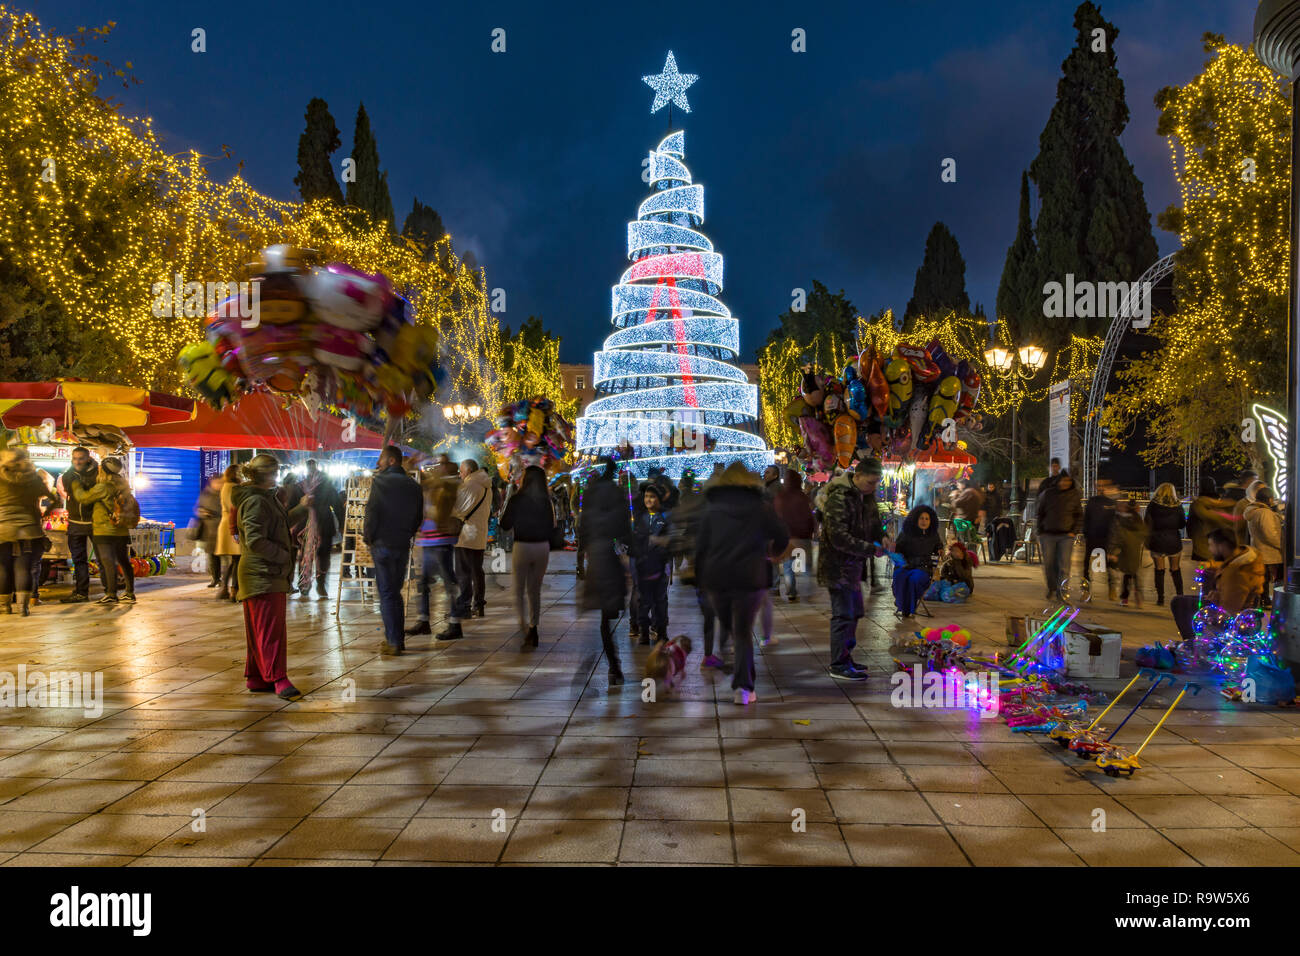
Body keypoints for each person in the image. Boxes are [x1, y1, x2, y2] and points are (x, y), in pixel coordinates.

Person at [695, 462, 788, 706]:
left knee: (733, 629)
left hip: (718, 579)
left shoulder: (711, 509)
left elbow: (700, 548)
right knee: (743, 632)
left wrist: (699, 579)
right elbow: (783, 536)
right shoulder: (761, 508)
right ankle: (743, 688)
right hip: (751, 577)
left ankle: (739, 677)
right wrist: (772, 553)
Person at [233, 454, 304, 700]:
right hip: (263, 573)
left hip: (264, 573)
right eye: (276, 471)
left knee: (259, 628)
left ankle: (257, 676)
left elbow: (279, 525)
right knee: (270, 629)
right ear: (269, 474)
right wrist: (282, 555)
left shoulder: (264, 498)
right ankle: (277, 678)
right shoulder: (256, 501)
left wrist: (303, 507)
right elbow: (255, 540)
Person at [817, 458, 887, 681]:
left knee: (855, 613)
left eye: (877, 483)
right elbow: (838, 537)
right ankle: (838, 664)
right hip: (837, 568)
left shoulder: (865, 497)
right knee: (843, 615)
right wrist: (869, 548)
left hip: (854, 567)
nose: (873, 487)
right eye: (870, 482)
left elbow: (875, 523)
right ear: (857, 477)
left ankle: (846, 657)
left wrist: (882, 536)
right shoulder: (840, 497)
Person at [364, 446, 423, 655]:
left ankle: (393, 641)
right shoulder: (413, 485)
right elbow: (418, 516)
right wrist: (407, 533)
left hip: (382, 544)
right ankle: (397, 639)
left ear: (391, 461)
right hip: (401, 543)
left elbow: (372, 512)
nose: (378, 463)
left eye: (381, 459)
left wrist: (368, 537)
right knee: (395, 592)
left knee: (387, 593)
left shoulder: (380, 482)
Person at [577, 457, 632, 685]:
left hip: (597, 556)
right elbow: (624, 527)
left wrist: (581, 558)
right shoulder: (617, 493)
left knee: (603, 619)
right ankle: (614, 666)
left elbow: (584, 526)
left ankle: (613, 667)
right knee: (608, 615)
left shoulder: (590, 493)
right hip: (611, 555)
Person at [1171, 528, 1264, 640]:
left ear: (1222, 546)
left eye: (1211, 545)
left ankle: (1194, 642)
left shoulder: (1236, 573)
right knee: (1184, 600)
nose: (1210, 549)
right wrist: (1210, 564)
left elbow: (1230, 610)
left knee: (1179, 603)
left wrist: (1215, 598)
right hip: (1238, 609)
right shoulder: (1243, 558)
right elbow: (1226, 565)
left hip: (1236, 619)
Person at [408, 456, 464, 641]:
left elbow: (440, 501)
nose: (437, 468)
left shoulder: (451, 485)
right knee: (424, 582)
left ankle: (455, 622)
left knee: (449, 582)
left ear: (449, 467)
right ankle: (423, 620)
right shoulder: (435, 485)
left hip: (441, 542)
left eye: (441, 465)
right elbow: (423, 484)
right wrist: (414, 464)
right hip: (428, 541)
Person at [499, 465, 555, 648]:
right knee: (534, 590)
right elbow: (551, 527)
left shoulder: (517, 499)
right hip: (542, 547)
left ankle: (523, 626)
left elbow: (505, 524)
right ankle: (534, 627)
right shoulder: (546, 501)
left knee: (519, 590)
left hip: (522, 545)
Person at [71, 457, 137, 605]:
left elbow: (83, 498)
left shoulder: (105, 486)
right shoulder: (123, 485)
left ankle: (111, 593)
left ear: (104, 470)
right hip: (121, 529)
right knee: (123, 561)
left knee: (108, 562)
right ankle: (129, 592)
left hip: (105, 529)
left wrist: (76, 484)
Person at [668, 470, 718, 662]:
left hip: (702, 565)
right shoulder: (710, 508)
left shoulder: (691, 504)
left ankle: (709, 653)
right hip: (712, 566)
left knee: (709, 610)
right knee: (713, 612)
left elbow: (678, 521)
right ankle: (709, 654)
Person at [0, 448, 46, 616]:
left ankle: (4, 606)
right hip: (28, 529)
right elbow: (53, 499)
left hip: (3, 529)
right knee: (23, 568)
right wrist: (44, 514)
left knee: (3, 567)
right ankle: (23, 608)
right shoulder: (32, 478)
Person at [631, 482, 673, 645]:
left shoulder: (665, 517)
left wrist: (660, 542)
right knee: (644, 601)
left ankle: (661, 631)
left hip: (660, 566)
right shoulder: (639, 517)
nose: (649, 500)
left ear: (659, 499)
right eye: (647, 496)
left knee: (660, 600)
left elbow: (670, 540)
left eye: (652, 496)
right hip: (643, 567)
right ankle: (643, 632)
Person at [452, 459, 493, 620]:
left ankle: (464, 606)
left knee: (463, 572)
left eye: (461, 471)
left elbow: (459, 510)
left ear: (468, 471)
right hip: (480, 533)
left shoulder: (470, 485)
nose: (460, 475)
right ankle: (479, 604)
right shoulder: (486, 485)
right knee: (477, 570)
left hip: (466, 535)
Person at [297, 459, 343, 598]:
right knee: (316, 555)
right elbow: (337, 505)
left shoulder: (303, 485)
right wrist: (341, 523)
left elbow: (336, 504)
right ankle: (317, 584)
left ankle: (311, 584)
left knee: (309, 555)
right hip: (312, 525)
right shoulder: (304, 485)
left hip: (315, 524)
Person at [1035, 469, 1082, 603]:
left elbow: (1079, 515)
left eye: (1068, 480)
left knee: (1064, 565)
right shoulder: (1048, 494)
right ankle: (1052, 587)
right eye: (1063, 480)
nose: (1065, 483)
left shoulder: (1074, 495)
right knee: (1049, 563)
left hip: (1066, 535)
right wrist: (1040, 530)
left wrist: (1074, 531)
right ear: (1058, 481)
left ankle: (1063, 592)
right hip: (1048, 534)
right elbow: (1040, 512)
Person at [773, 467, 815, 602]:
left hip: (787, 537)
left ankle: (791, 592)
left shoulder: (781, 497)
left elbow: (777, 516)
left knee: (788, 566)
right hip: (803, 536)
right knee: (805, 565)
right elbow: (810, 516)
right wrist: (812, 531)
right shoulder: (803, 497)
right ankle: (808, 591)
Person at [892, 504, 941, 618]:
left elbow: (938, 545)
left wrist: (940, 549)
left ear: (931, 521)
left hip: (923, 568)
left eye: (927, 519)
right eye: (921, 518)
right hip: (906, 566)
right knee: (899, 576)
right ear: (915, 519)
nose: (924, 521)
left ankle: (908, 606)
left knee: (914, 580)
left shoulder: (933, 535)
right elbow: (898, 549)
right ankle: (902, 603)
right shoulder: (906, 533)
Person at [1144, 482, 1187, 606]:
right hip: (1173, 540)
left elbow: (1147, 522)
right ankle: (1180, 595)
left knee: (1159, 569)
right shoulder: (1178, 506)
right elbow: (1182, 524)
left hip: (1157, 540)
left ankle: (1160, 598)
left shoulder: (1152, 506)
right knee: (1175, 569)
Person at [1108, 496, 1147, 607]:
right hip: (1132, 548)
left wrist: (1112, 550)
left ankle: (1126, 597)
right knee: (1133, 573)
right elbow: (1143, 532)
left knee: (1129, 573)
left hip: (1126, 548)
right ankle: (1136, 596)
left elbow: (1116, 536)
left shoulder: (1122, 519)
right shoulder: (1135, 518)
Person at [1083, 477, 1119, 596]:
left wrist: (1114, 541)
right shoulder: (1091, 501)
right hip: (1092, 537)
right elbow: (1086, 519)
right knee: (1086, 565)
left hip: (1106, 539)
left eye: (1102, 485)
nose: (1100, 488)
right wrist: (1085, 533)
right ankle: (1085, 590)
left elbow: (1115, 522)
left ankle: (1112, 588)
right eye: (1098, 485)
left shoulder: (1111, 503)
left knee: (1109, 565)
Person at [1245, 486, 1284, 589]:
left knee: (1262, 581)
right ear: (1269, 499)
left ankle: (1263, 601)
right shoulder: (1265, 513)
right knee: (1269, 582)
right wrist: (1282, 546)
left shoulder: (1254, 511)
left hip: (1259, 551)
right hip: (1269, 554)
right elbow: (1270, 534)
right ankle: (1266, 602)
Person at [1188, 477, 1235, 563]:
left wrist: (1192, 536)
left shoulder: (1197, 504)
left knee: (1202, 570)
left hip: (1201, 546)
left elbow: (1190, 524)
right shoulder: (1222, 503)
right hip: (1220, 546)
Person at [216, 464, 243, 601]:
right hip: (232, 526)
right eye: (239, 472)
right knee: (237, 560)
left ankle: (224, 589)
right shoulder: (233, 488)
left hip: (226, 525)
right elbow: (234, 508)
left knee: (233, 561)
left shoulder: (225, 486)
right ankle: (234, 590)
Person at [194, 473, 224, 589]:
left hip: (222, 529)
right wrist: (202, 512)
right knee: (212, 556)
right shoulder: (205, 494)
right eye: (218, 482)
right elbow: (197, 508)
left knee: (229, 556)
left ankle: (225, 580)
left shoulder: (224, 494)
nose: (219, 485)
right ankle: (216, 578)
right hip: (210, 530)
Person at [1230, 477, 1263, 547]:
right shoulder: (1242, 504)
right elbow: (1237, 526)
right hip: (1245, 543)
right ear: (1253, 490)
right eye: (1259, 490)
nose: (1262, 493)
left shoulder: (1262, 504)